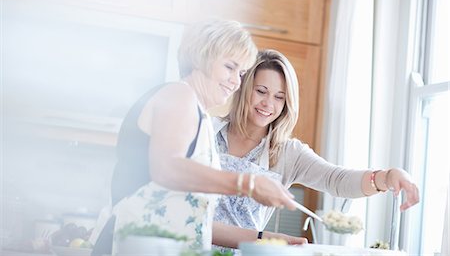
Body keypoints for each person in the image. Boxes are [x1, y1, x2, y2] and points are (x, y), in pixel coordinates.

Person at [91, 21, 299, 255]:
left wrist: (265, 237)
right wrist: (248, 184)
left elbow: (195, 216)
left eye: (241, 73)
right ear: (202, 58)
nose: (236, 82)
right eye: (229, 67)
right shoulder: (180, 95)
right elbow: (167, 168)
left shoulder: (200, 116)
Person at [211, 49, 420, 248]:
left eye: (279, 97)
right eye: (261, 91)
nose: (268, 103)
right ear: (244, 88)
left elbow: (337, 180)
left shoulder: (287, 153)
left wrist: (386, 177)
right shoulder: (206, 131)